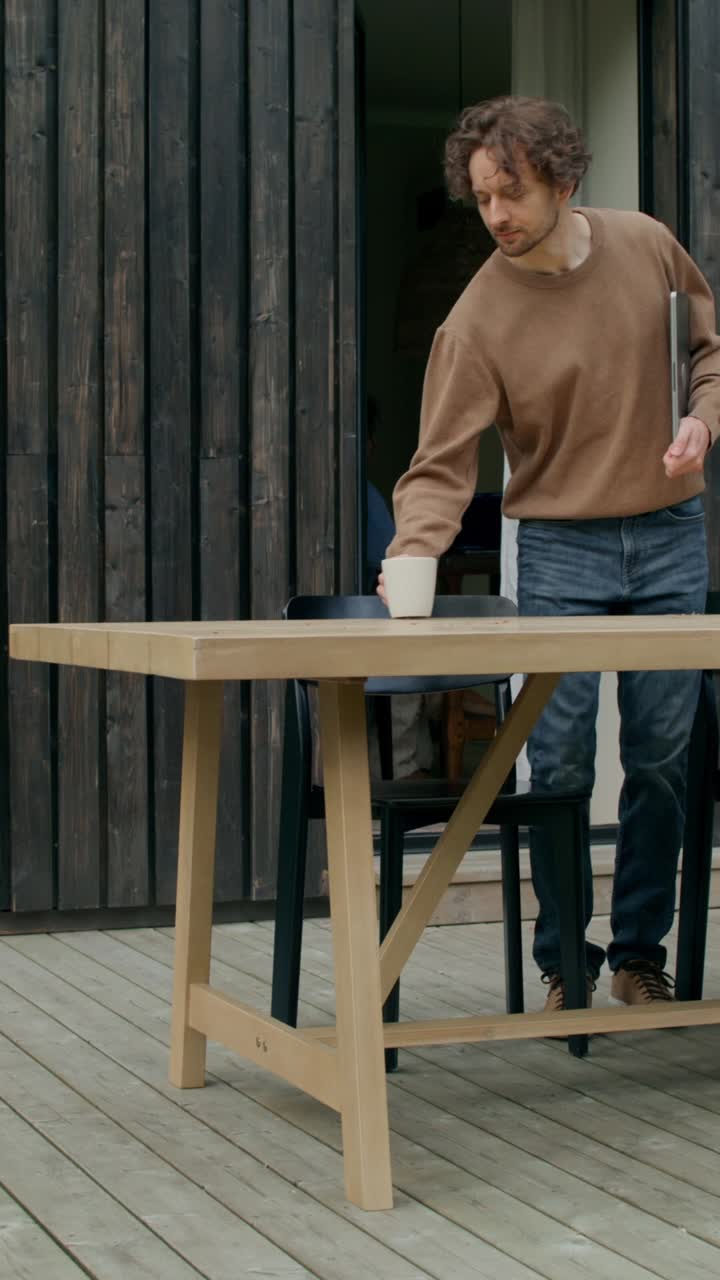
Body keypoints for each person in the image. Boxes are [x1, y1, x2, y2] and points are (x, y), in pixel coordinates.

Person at [378, 95, 720, 1011]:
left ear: (566, 180)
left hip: (669, 537)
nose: (496, 215)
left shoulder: (647, 246)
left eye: (513, 192)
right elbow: (440, 466)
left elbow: (708, 354)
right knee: (557, 764)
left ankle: (637, 955)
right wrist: (411, 554)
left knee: (659, 757)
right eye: (483, 196)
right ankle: (564, 959)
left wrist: (702, 419)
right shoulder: (477, 319)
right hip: (560, 548)